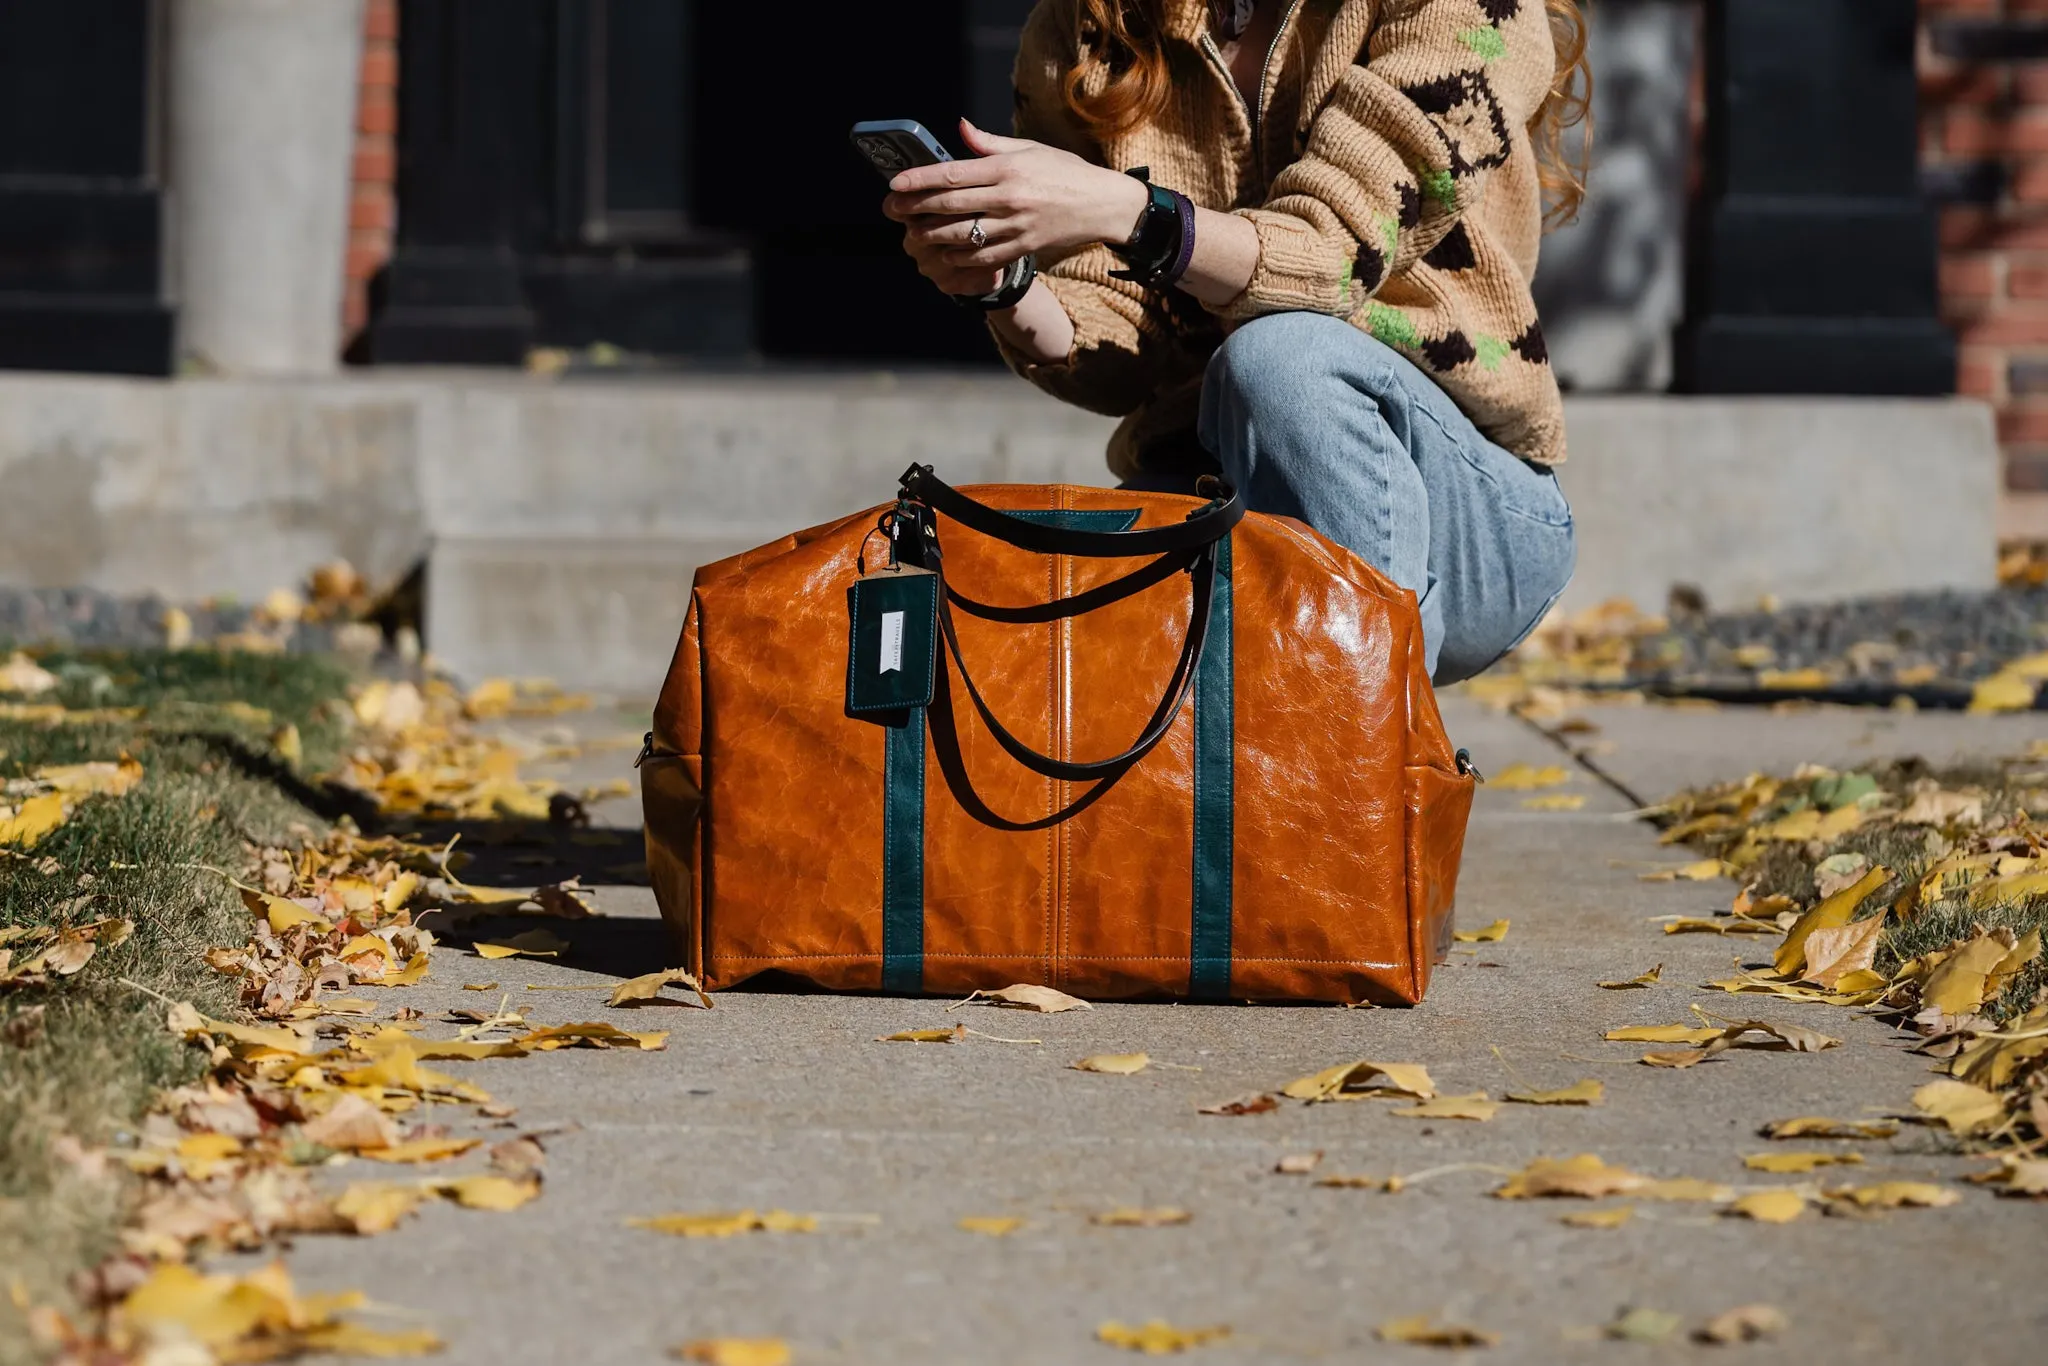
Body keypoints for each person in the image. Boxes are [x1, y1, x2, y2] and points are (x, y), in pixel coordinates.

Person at [882, 0, 1590, 685]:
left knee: (1283, 361)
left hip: (1466, 506)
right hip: (1220, 473)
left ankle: (1367, 766)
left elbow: (1332, 254)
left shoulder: (1467, 7)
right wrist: (1005, 283)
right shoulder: (1090, 21)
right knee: (1066, 644)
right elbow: (1123, 351)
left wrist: (1125, 209)